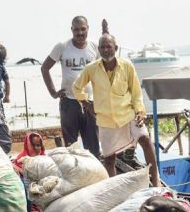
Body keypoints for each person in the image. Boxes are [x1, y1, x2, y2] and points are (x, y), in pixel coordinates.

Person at [72, 33, 160, 186]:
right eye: (103, 47)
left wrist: (140, 111)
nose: (106, 50)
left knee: (145, 139)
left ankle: (156, 181)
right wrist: (87, 104)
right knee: (109, 158)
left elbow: (136, 92)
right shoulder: (91, 69)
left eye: (109, 46)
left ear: (116, 48)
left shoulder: (127, 66)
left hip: (128, 114)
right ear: (99, 49)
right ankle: (113, 189)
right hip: (106, 120)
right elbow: (76, 87)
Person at [41, 16, 100, 155]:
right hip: (69, 102)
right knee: (71, 147)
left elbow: (101, 72)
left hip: (90, 102)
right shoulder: (62, 46)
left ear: (88, 28)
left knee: (93, 146)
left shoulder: (94, 47)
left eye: (83, 29)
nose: (80, 33)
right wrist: (53, 92)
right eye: (76, 29)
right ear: (71, 30)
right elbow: (44, 68)